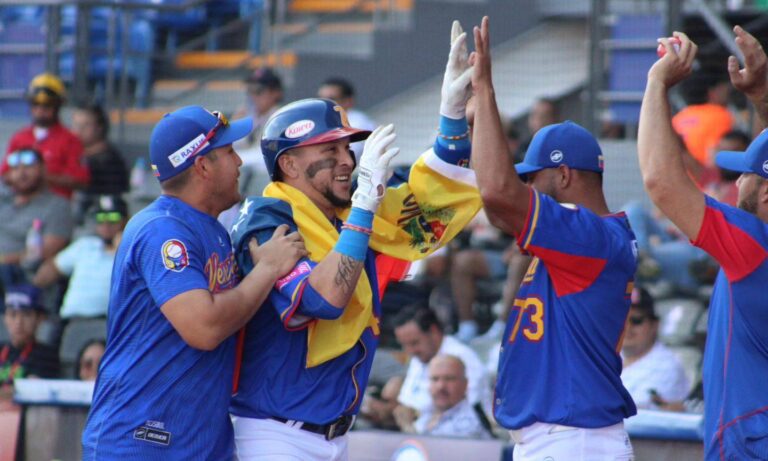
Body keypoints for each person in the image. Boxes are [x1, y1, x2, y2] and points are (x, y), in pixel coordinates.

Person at [228, 20, 481, 460]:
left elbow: (430, 197)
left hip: (335, 435)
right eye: (330, 153)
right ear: (288, 165)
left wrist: (452, 116)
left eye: (348, 149)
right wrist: (364, 204)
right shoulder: (266, 219)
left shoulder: (347, 211)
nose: (347, 161)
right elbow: (323, 299)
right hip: (272, 434)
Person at [81, 106, 308, 460]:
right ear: (202, 165)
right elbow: (204, 327)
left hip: (200, 441)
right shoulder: (162, 230)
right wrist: (267, 270)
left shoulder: (211, 228)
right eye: (229, 152)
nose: (238, 163)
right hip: (141, 441)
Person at [471, 17, 636, 460]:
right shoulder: (583, 236)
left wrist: (485, 91)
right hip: (564, 435)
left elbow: (499, 194)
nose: (525, 187)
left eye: (534, 177)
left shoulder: (591, 237)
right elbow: (499, 205)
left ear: (563, 174)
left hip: (575, 438)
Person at [637, 26, 768, 460]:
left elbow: (661, 182)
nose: (733, 183)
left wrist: (657, 82)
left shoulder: (753, 247)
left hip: (749, 441)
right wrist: (763, 99)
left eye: (741, 175)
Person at [33, 195, 128, 319]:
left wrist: (122, 250)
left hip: (109, 322)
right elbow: (46, 274)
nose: (106, 223)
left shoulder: (133, 250)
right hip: (70, 319)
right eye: (100, 217)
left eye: (113, 217)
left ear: (126, 220)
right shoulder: (84, 245)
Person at [392, 306, 490, 428]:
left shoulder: (464, 358)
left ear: (433, 331)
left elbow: (467, 409)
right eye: (405, 345)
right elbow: (407, 404)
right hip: (422, 434)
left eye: (414, 343)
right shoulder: (420, 356)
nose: (410, 351)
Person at [2, 73, 89, 199]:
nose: (40, 109)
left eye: (47, 104)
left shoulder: (71, 140)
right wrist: (23, 177)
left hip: (56, 208)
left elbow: (81, 180)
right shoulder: (19, 138)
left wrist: (41, 177)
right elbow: (5, 174)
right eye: (35, 103)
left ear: (58, 105)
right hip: (21, 207)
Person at [0, 148, 73, 286]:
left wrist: (3, 260)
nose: (22, 174)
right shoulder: (3, 201)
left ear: (43, 169)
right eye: (15, 168)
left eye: (28, 167)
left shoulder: (57, 205)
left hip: (24, 278)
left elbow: (43, 253)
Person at [620, 286, 690, 409]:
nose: (627, 327)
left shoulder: (667, 367)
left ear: (654, 325)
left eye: (636, 320)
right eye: (621, 319)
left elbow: (635, 416)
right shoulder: (607, 355)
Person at [410, 354, 493, 439]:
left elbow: (430, 447)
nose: (441, 386)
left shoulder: (469, 423)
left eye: (449, 379)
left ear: (465, 384)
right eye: (435, 379)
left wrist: (407, 426)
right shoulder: (427, 411)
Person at [0, 285, 60, 401]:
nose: (18, 322)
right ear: (5, 319)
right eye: (12, 315)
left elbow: (31, 392)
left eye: (26, 315)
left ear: (40, 319)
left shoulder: (47, 356)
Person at [70, 104, 129, 222]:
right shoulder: (73, 155)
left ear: (100, 127)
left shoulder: (111, 161)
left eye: (86, 125)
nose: (79, 130)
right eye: (76, 125)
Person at [317, 77, 377, 161]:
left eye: (331, 99)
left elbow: (344, 158)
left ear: (348, 101)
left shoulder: (359, 123)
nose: (324, 103)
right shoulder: (320, 121)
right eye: (321, 99)